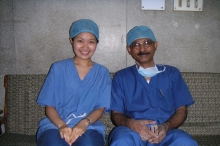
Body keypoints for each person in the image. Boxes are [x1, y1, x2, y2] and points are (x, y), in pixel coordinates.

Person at [109, 25, 198, 146]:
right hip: (131, 132)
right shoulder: (121, 77)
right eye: (136, 44)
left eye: (147, 43)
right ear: (129, 50)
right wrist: (131, 124)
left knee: (186, 143)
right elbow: (116, 114)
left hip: (166, 132)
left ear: (155, 45)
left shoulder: (172, 74)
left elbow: (182, 110)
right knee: (121, 141)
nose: (142, 48)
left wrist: (166, 126)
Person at [36, 19, 111, 146]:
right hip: (55, 125)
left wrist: (83, 123)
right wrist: (62, 126)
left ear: (97, 43)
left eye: (91, 42)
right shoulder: (58, 68)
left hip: (89, 127)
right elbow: (50, 106)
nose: (85, 47)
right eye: (80, 41)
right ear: (71, 40)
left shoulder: (102, 72)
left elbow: (100, 108)